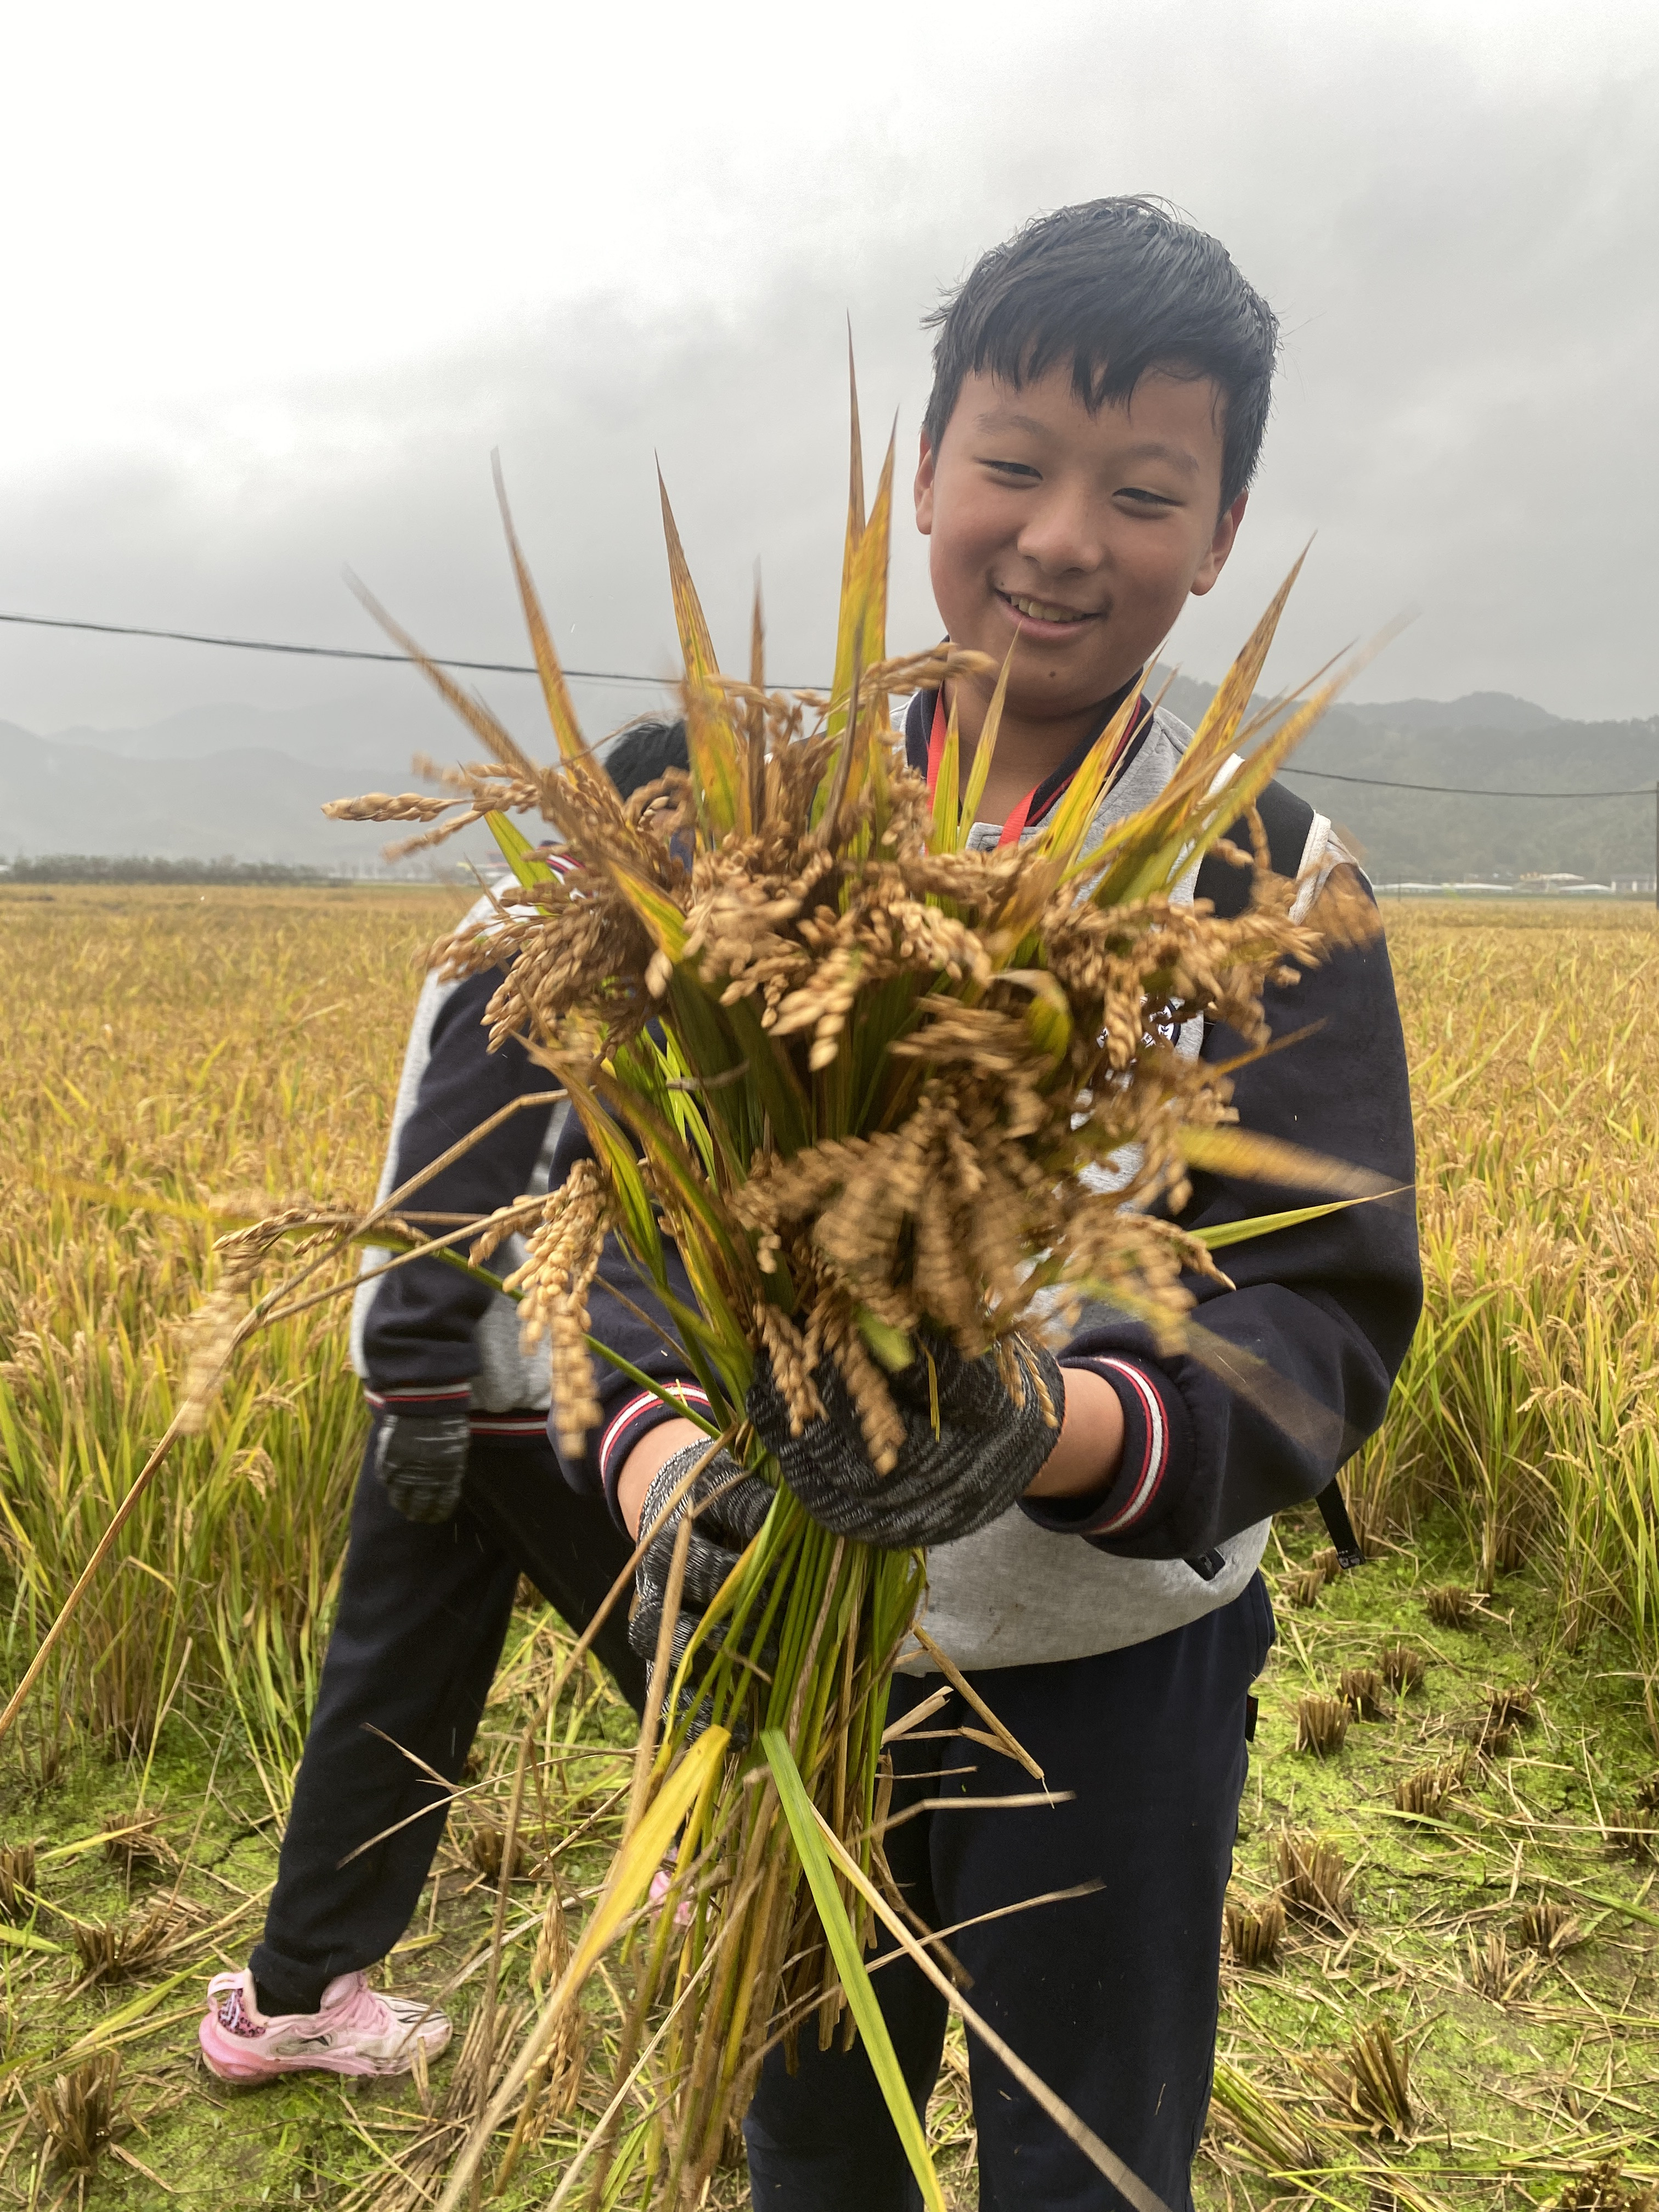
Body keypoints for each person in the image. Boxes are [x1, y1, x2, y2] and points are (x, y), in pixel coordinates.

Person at [552, 200, 1422, 2210]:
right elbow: (608, 1215)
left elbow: (1324, 1309)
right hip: (790, 1668)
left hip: (1118, 1667)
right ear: (921, 468)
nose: (1057, 537)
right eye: (1011, 464)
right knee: (807, 2146)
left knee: (1088, 2167)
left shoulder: (1265, 869)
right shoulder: (755, 814)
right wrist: (658, 1459)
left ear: (1218, 534)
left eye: (1141, 489)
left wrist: (1055, 1427)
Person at [198, 718, 687, 2083]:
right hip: (530, 1388)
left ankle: (292, 1995)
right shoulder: (559, 935)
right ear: (653, 816)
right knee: (709, 1646)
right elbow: (461, 1162)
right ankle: (714, 1874)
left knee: (391, 1689)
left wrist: (410, 1382)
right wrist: (422, 1374)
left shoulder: (566, 919)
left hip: (457, 1383)